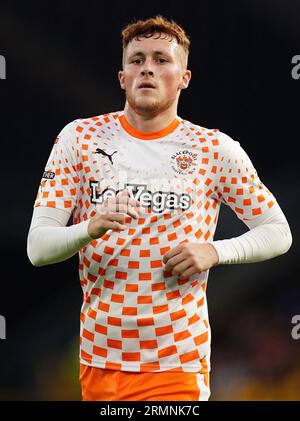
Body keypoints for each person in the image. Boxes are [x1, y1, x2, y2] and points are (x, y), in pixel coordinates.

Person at [27, 15, 292, 401]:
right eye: (136, 60)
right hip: (100, 361)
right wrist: (90, 227)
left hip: (177, 363)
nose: (147, 67)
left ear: (184, 77)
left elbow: (278, 231)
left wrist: (217, 250)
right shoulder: (79, 139)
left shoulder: (214, 150)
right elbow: (38, 248)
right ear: (122, 77)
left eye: (161, 59)